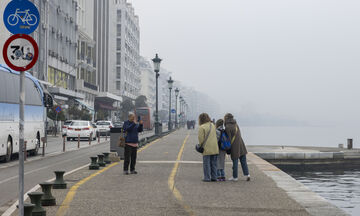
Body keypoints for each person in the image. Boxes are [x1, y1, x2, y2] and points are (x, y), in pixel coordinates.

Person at [224, 113, 250, 181]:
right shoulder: (236, 124)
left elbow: (228, 139)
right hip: (241, 144)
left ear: (226, 118)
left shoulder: (227, 127)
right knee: (243, 161)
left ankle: (235, 177)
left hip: (234, 146)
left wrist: (227, 148)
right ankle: (247, 174)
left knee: (235, 161)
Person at [198, 113, 219, 182]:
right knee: (214, 164)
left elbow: (201, 139)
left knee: (206, 164)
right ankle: (214, 177)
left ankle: (207, 178)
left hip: (207, 148)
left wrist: (200, 146)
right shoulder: (212, 125)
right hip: (215, 147)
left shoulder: (202, 127)